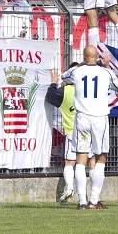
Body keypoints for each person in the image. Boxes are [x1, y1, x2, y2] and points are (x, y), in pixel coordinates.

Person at [61, 45, 118, 209]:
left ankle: (82, 201)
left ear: (83, 56)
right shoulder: (106, 72)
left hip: (82, 119)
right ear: (97, 57)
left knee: (80, 159)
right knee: (101, 157)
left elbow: (63, 77)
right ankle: (94, 200)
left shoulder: (76, 71)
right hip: (100, 119)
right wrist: (107, 66)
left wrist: (81, 64)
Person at [46, 63, 79, 202]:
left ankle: (70, 187)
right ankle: (89, 196)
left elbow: (50, 96)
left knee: (69, 163)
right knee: (89, 163)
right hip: (90, 132)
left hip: (72, 132)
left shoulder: (65, 91)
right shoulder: (88, 90)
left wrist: (53, 83)